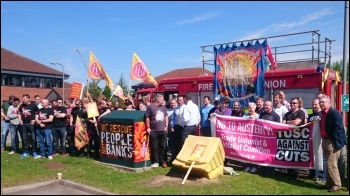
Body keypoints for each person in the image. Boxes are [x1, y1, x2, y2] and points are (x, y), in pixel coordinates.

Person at [319, 95, 346, 192]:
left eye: (323, 102)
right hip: (325, 140)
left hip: (332, 142)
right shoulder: (323, 113)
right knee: (328, 163)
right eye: (320, 102)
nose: (321, 104)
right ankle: (329, 183)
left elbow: (338, 129)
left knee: (331, 164)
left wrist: (333, 140)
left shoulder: (334, 113)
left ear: (328, 102)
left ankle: (336, 184)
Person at [283, 97, 306, 180]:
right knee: (288, 155)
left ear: (298, 104)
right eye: (291, 103)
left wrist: (289, 122)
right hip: (288, 138)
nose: (292, 104)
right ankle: (289, 172)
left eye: (294, 103)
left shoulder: (301, 113)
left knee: (296, 155)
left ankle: (296, 174)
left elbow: (297, 123)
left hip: (298, 138)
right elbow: (283, 123)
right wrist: (292, 121)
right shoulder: (287, 114)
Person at [145, 94, 168, 168]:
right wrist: (148, 127)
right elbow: (147, 117)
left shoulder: (163, 107)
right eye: (162, 99)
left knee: (163, 146)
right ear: (158, 100)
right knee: (155, 147)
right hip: (154, 131)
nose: (163, 101)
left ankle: (163, 161)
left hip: (163, 130)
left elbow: (166, 116)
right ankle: (156, 161)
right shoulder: (150, 107)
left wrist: (166, 126)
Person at [308, 97, 327, 185]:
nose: (314, 106)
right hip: (312, 138)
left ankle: (323, 177)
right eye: (313, 104)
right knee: (314, 156)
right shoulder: (311, 115)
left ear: (319, 104)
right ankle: (314, 174)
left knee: (321, 157)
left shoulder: (323, 114)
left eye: (316, 104)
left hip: (321, 139)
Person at [259, 101, 280, 176]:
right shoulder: (261, 114)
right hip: (263, 138)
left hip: (272, 139)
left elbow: (278, 127)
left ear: (271, 106)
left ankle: (271, 169)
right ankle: (263, 168)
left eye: (267, 105)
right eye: (264, 105)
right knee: (263, 153)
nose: (265, 106)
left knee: (271, 154)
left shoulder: (276, 116)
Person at [242, 102, 260, 173]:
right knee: (246, 152)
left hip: (254, 137)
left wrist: (254, 119)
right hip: (246, 137)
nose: (249, 109)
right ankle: (248, 165)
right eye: (249, 108)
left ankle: (254, 166)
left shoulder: (258, 116)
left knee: (254, 152)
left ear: (255, 108)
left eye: (251, 108)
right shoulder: (245, 115)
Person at [167, 98, 178, 163]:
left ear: (176, 103)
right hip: (170, 130)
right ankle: (172, 157)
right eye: (171, 103)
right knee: (172, 145)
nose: (172, 105)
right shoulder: (168, 111)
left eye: (173, 103)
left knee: (177, 144)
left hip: (177, 129)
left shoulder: (178, 110)